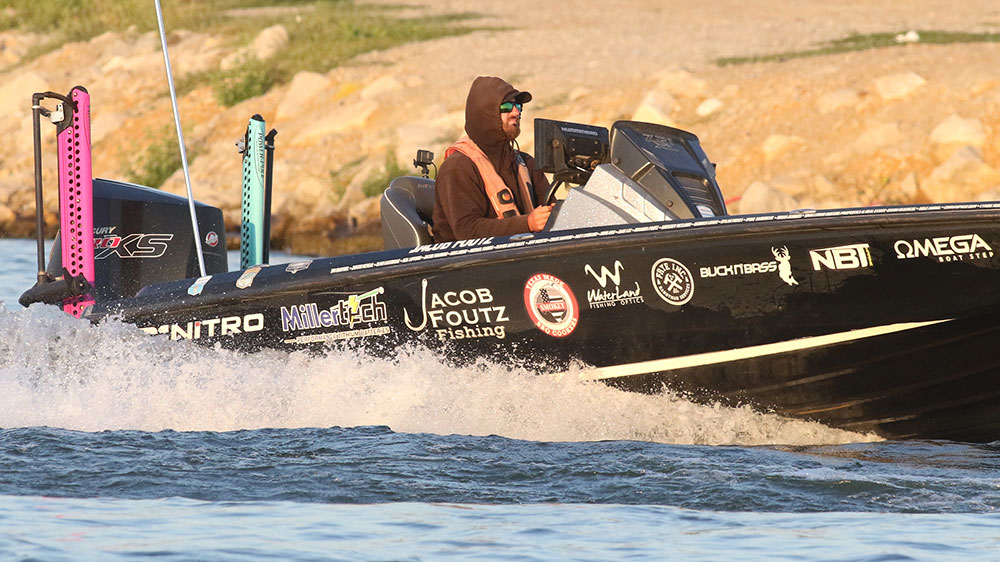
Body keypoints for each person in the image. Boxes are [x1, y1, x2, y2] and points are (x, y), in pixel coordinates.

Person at [432, 76, 553, 242]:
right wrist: (527, 224)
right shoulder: (457, 168)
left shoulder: (527, 163)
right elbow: (466, 230)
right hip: (469, 257)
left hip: (522, 254)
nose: (516, 112)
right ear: (484, 113)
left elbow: (551, 211)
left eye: (518, 106)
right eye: (507, 107)